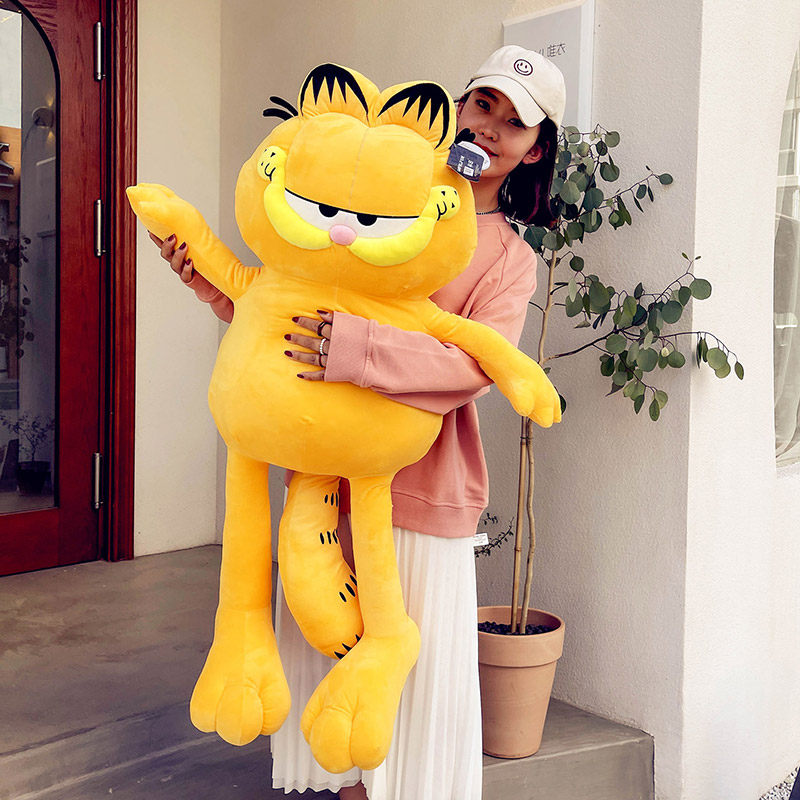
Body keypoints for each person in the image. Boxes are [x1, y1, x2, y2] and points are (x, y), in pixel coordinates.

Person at [150, 45, 566, 800]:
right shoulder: (375, 191)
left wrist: (359, 349)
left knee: (407, 685)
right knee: (324, 661)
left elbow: (478, 365)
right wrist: (211, 283)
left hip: (423, 490)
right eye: (484, 104)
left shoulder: (508, 256)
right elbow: (291, 309)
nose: (491, 128)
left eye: (515, 123)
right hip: (323, 478)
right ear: (459, 106)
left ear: (534, 150)